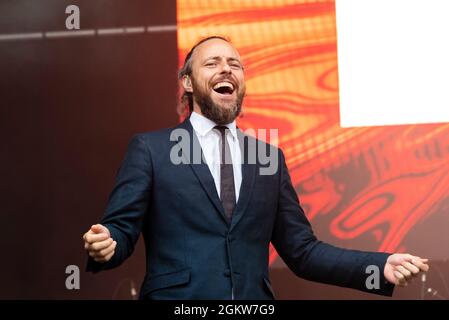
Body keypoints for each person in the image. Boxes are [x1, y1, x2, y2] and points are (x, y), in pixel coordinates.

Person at [83, 36, 429, 300]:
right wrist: (108, 242)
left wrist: (379, 266)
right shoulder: (151, 149)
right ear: (187, 83)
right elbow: (119, 230)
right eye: (212, 63)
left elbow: (303, 252)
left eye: (235, 64)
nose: (226, 69)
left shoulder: (269, 158)